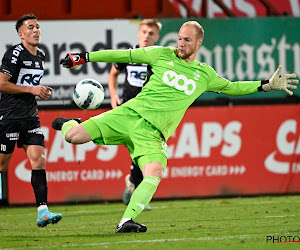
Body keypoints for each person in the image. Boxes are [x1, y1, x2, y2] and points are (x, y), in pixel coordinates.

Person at [54, 21, 298, 233]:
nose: (181, 43)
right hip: (128, 114)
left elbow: (232, 87)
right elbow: (123, 55)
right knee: (74, 136)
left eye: (187, 40)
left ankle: (127, 220)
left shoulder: (204, 74)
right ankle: (69, 124)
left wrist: (265, 84)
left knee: (155, 171)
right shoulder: (161, 54)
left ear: (199, 42)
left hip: (153, 134)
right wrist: (84, 57)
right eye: (179, 38)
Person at [0, 14, 62, 227]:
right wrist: (31, 89)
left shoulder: (41, 56)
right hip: (9, 117)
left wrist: (40, 92)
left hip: (30, 118)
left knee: (39, 160)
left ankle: (43, 212)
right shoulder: (14, 54)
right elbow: (2, 83)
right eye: (30, 27)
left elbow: (31, 87)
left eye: (38, 26)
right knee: (1, 166)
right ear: (21, 34)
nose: (36, 30)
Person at [108, 19, 162, 208]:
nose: (147, 36)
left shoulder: (159, 58)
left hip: (149, 112)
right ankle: (135, 187)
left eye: (151, 33)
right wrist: (113, 95)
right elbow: (113, 74)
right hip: (129, 110)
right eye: (144, 32)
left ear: (157, 37)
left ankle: (133, 185)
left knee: (143, 150)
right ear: (139, 33)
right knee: (140, 150)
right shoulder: (128, 55)